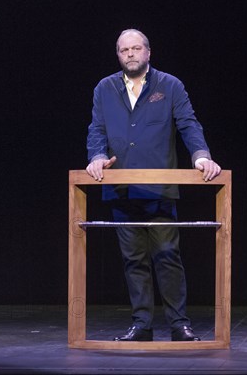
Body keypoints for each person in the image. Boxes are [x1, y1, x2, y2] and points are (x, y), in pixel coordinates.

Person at [86, 29, 221, 342]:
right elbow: (97, 129)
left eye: (136, 48)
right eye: (124, 50)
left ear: (148, 52)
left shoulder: (169, 85)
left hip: (158, 189)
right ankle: (141, 325)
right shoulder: (104, 88)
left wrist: (201, 156)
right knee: (133, 259)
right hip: (121, 189)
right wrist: (96, 156)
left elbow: (188, 123)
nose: (130, 54)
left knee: (166, 255)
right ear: (118, 55)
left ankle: (179, 324)